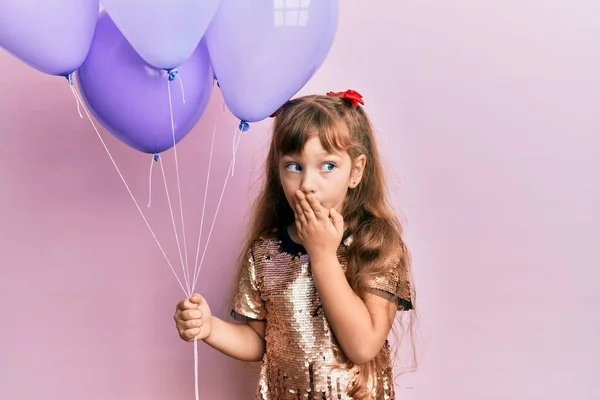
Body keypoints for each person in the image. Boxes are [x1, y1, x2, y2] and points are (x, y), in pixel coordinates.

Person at [174, 89, 416, 399]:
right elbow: (262, 342)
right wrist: (209, 327)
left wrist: (323, 255)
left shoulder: (375, 243)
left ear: (355, 171)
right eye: (294, 166)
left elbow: (363, 346)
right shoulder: (265, 252)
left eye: (327, 166)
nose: (307, 185)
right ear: (277, 169)